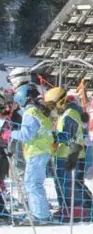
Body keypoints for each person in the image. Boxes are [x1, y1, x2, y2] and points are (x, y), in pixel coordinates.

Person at [45, 87, 93, 221]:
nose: (52, 109)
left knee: (72, 184)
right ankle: (68, 207)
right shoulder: (65, 113)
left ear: (60, 101)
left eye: (52, 105)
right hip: (65, 153)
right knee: (64, 183)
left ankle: (80, 209)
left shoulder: (70, 113)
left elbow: (68, 135)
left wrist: (52, 136)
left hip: (71, 155)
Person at [9, 84, 53, 222]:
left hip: (35, 151)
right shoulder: (39, 112)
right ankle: (40, 212)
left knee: (32, 183)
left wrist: (10, 133)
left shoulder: (30, 113)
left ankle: (40, 215)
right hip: (43, 150)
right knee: (34, 183)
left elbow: (26, 134)